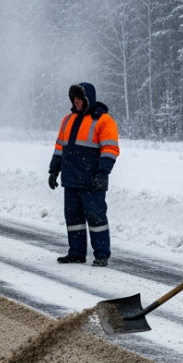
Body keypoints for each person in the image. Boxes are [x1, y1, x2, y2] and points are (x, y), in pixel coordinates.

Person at [48, 83, 120, 267]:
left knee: (96, 218)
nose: (75, 101)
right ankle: (76, 253)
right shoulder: (68, 119)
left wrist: (103, 174)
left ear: (88, 99)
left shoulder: (104, 121)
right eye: (74, 98)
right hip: (71, 179)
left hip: (92, 181)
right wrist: (54, 169)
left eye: (79, 98)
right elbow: (59, 147)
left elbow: (110, 150)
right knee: (73, 219)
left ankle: (102, 254)